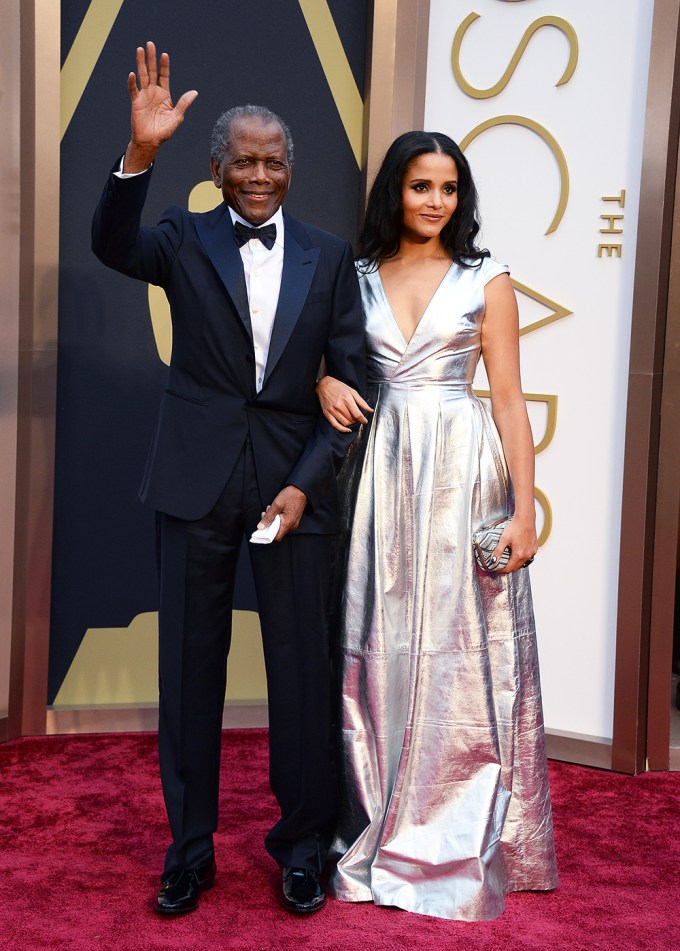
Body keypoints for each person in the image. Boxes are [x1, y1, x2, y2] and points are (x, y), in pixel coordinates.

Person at [91, 42, 366, 916]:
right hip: (195, 481)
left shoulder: (331, 256)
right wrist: (139, 154)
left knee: (301, 674)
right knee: (189, 671)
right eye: (242, 160)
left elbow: (355, 388)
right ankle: (188, 850)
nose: (258, 174)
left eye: (272, 161)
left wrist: (306, 484)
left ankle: (301, 847)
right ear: (216, 167)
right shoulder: (180, 235)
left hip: (293, 488)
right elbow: (110, 242)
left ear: (292, 168)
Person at [315, 131, 558, 920]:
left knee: (465, 653)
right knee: (378, 646)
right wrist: (322, 378)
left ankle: (462, 824)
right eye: (422, 186)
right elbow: (322, 359)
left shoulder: (488, 277)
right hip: (384, 473)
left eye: (449, 188)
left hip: (461, 469)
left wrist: (526, 507)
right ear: (396, 190)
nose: (436, 201)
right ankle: (379, 815)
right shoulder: (353, 277)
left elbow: (511, 398)